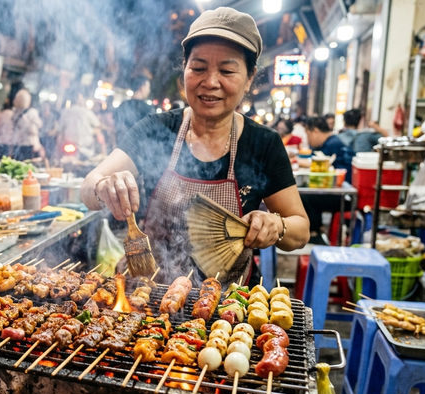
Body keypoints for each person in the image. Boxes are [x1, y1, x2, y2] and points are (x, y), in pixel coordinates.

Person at [81, 7, 308, 284]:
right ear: (185, 70)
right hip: (148, 291)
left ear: (249, 78)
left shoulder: (263, 144)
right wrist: (103, 187)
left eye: (226, 70)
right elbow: (88, 189)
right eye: (198, 68)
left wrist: (278, 225)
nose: (210, 82)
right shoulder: (156, 128)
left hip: (226, 306)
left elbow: (301, 230)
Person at [302, 115, 355, 244]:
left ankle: (314, 234)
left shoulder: (333, 144)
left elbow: (317, 163)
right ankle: (315, 231)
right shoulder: (328, 143)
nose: (308, 140)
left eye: (308, 135)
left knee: (305, 196)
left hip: (345, 196)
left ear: (315, 130)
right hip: (338, 192)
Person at [57, 91, 103, 160]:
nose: (83, 100)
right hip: (86, 147)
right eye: (81, 99)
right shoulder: (86, 112)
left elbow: (60, 131)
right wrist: (92, 132)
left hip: (69, 146)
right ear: (78, 100)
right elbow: (98, 126)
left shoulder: (65, 112)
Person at [114, 74, 154, 146]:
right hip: (139, 148)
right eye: (148, 87)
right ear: (142, 87)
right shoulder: (147, 108)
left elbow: (115, 126)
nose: (149, 90)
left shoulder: (123, 105)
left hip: (121, 147)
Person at [10, 89, 44, 161]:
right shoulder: (30, 112)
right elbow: (39, 125)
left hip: (21, 144)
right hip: (26, 144)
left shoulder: (16, 112)